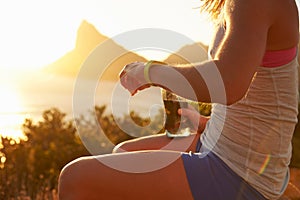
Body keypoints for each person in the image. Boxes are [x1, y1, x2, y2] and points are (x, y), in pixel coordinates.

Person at [58, 0, 299, 199]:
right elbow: (264, 98)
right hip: (220, 146)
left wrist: (149, 72)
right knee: (122, 151)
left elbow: (228, 82)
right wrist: (208, 122)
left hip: (239, 173)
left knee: (75, 179)